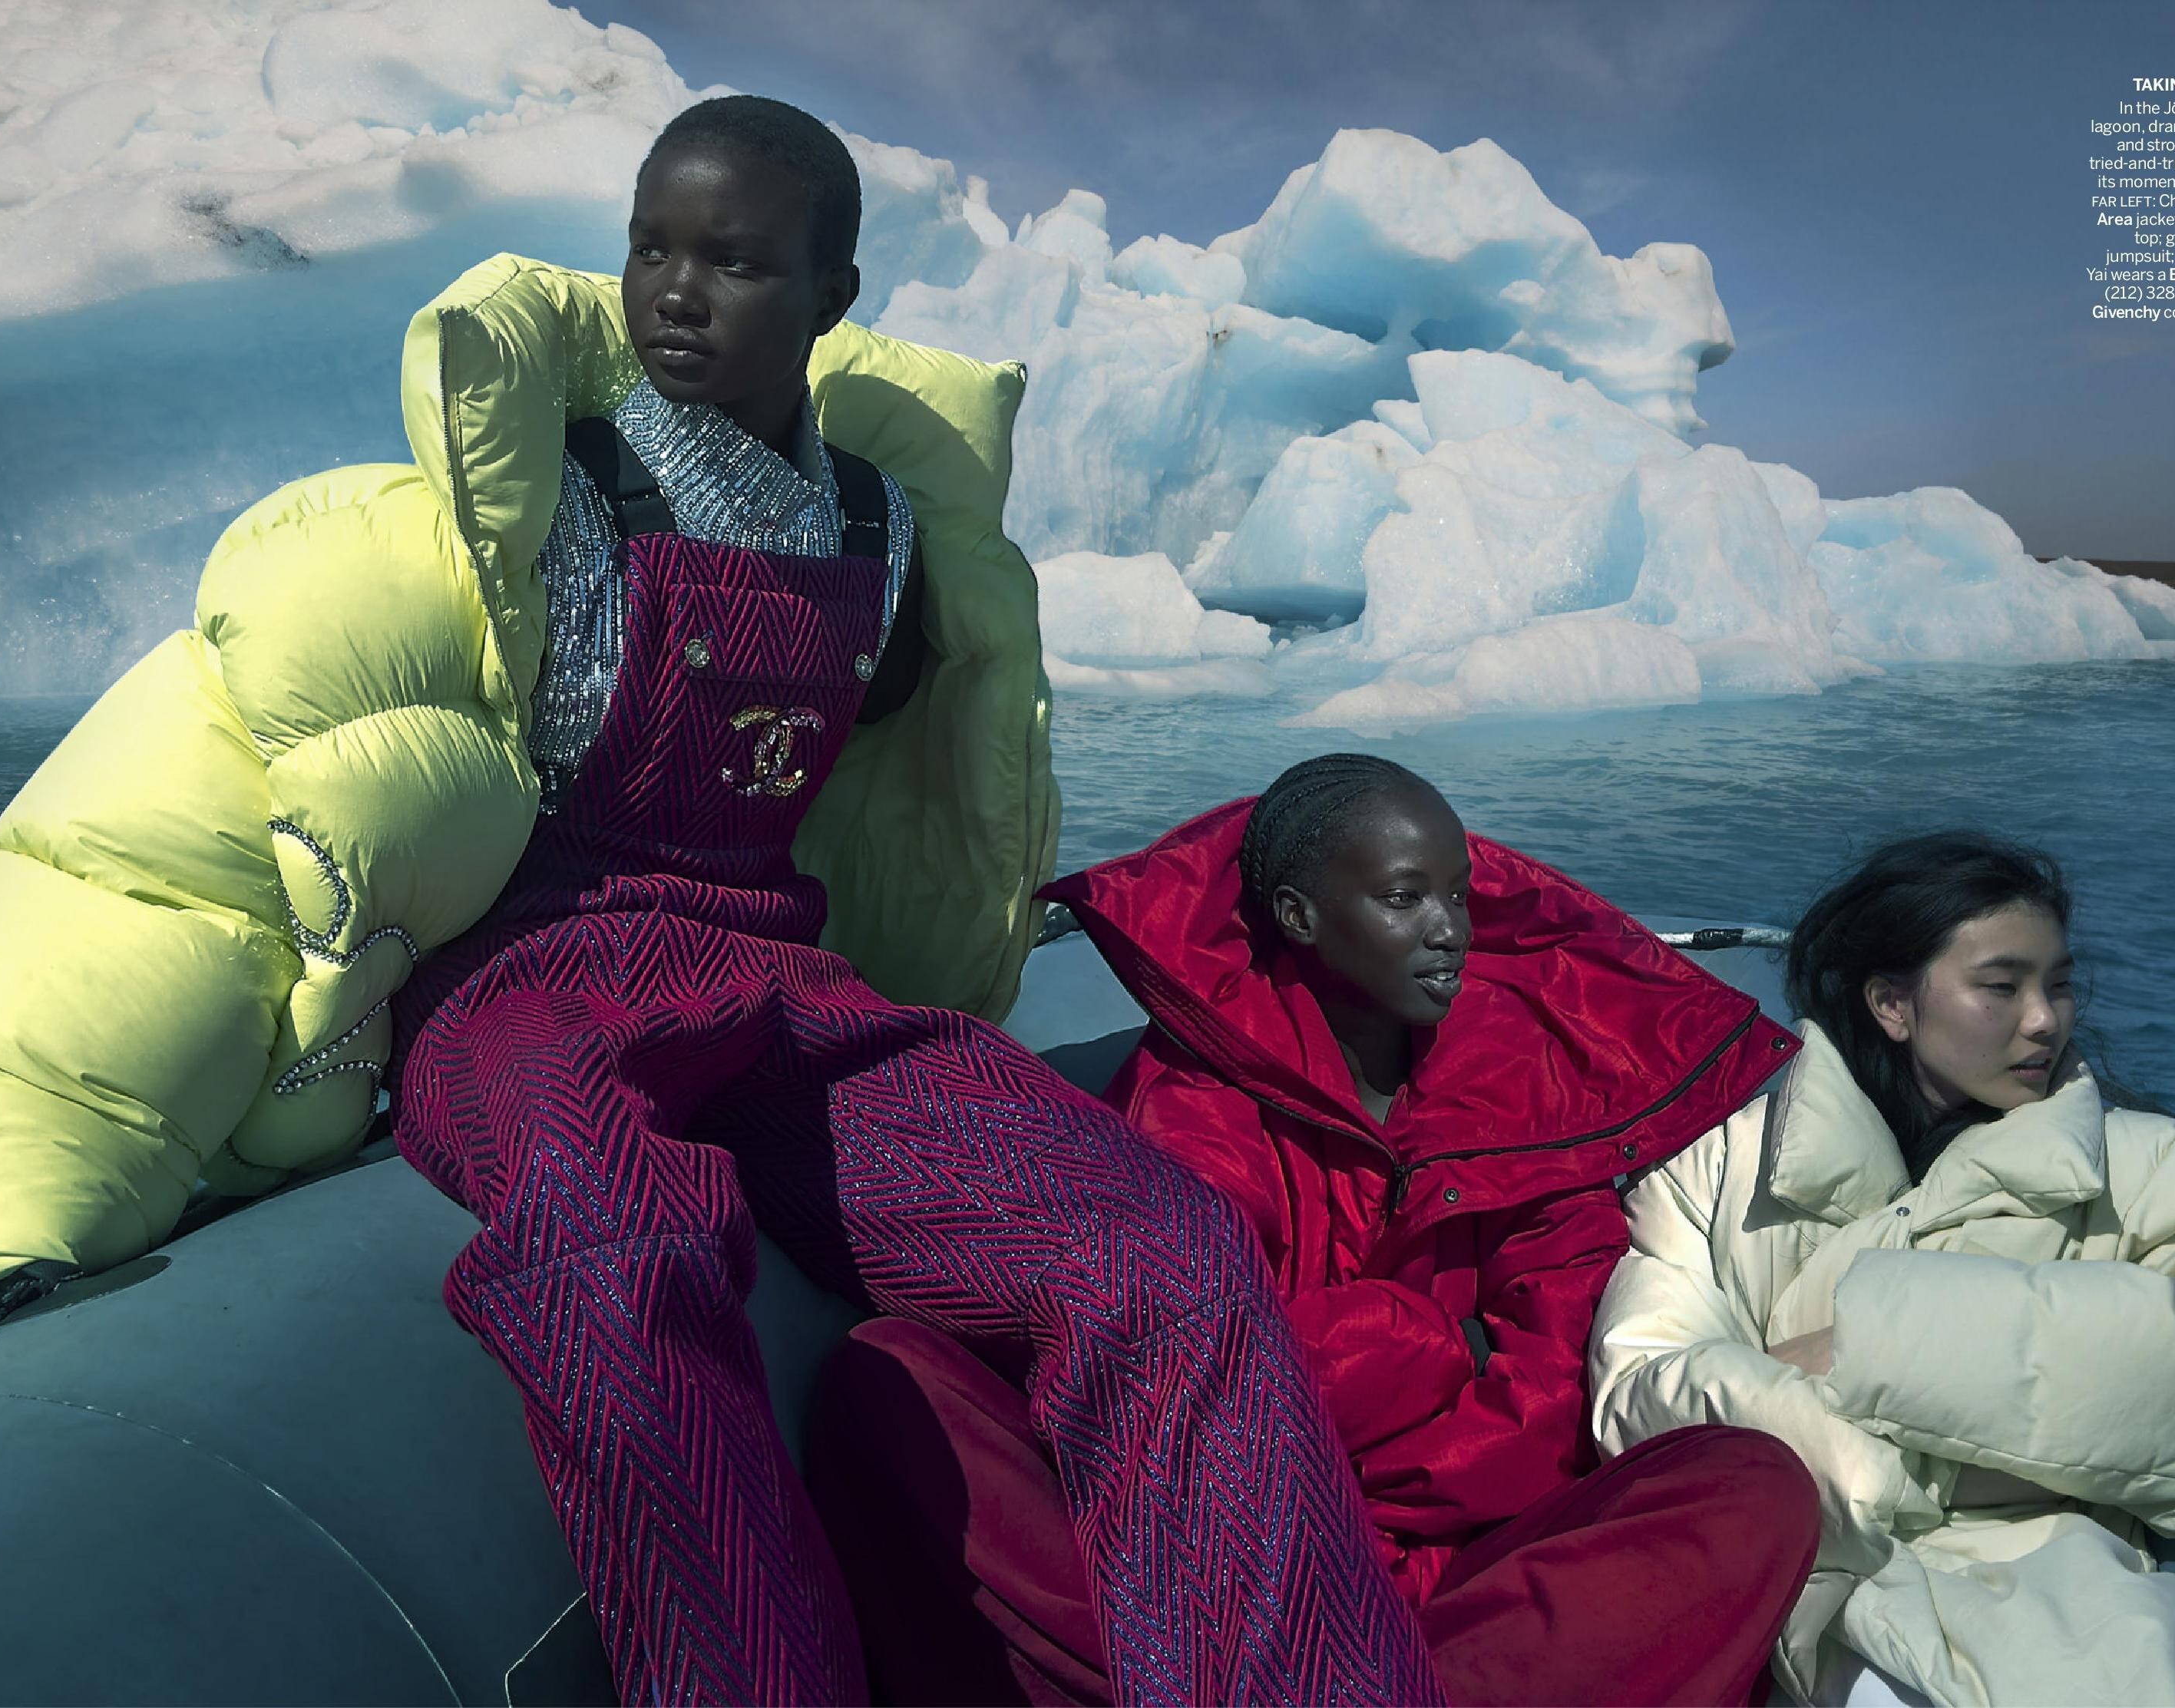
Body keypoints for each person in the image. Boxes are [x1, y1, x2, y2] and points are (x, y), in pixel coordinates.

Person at [380, 104, 1442, 1706]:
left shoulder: (875, 533)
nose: (673, 293)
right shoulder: (567, 490)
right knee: (606, 1248)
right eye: (649, 251)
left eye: (733, 261)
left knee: (1155, 1242)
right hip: (534, 979)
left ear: (831, 292)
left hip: (772, 977)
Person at [808, 753, 1824, 1706]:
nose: (1448, 930)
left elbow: (1556, 1388)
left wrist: (1386, 1438)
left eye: (1458, 896)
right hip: (1215, 1569)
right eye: (1404, 898)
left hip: (1467, 1565)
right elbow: (1197, 1391)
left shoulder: (1521, 1087)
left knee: (1753, 1484)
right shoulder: (1190, 1104)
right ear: (1299, 915)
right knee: (888, 1376)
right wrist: (1429, 1345)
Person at [1586, 831, 2175, 1706]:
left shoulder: (2144, 1164)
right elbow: (1642, 1383)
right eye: (2002, 986)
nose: (2045, 1019)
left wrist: (1875, 1344)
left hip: (2047, 1581)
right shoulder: (1724, 1168)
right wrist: (1869, 1472)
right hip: (1799, 1572)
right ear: (1891, 1004)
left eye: (2059, 983)